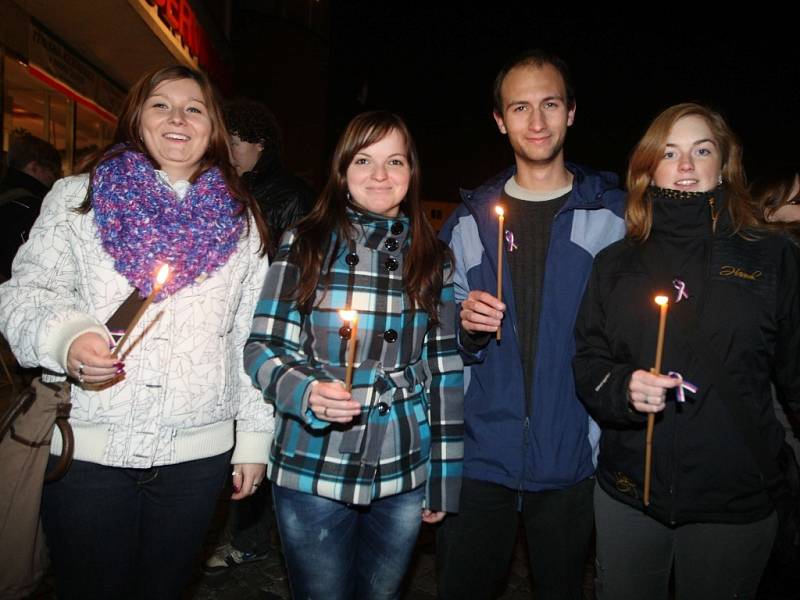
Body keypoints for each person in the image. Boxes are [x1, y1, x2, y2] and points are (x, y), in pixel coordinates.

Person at [0, 65, 273, 600]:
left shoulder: (242, 220)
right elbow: (25, 293)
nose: (178, 118)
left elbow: (250, 336)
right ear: (135, 118)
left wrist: (254, 439)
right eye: (160, 105)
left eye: (194, 108)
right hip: (89, 448)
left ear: (212, 126)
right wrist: (69, 338)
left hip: (197, 453)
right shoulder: (78, 198)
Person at [573, 103, 800, 600]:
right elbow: (589, 361)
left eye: (702, 150)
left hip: (734, 503)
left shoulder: (772, 256)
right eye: (670, 152)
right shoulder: (615, 263)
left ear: (725, 163)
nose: (687, 167)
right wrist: (623, 387)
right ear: (648, 166)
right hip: (630, 497)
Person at [244, 110, 463, 600]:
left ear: (412, 173)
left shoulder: (433, 257)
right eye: (364, 160)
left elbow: (445, 369)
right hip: (313, 463)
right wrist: (306, 390)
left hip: (404, 465)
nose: (380, 176)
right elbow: (262, 345)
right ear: (342, 171)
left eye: (395, 161)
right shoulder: (305, 242)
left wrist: (444, 477)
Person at [436, 49, 626, 600]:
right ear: (500, 120)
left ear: (571, 112)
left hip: (572, 459)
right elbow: (434, 333)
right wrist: (464, 328)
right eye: (520, 107)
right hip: (480, 458)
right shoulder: (470, 222)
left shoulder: (616, 218)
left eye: (549, 104)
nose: (536, 121)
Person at [204, 98, 314, 575]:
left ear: (258, 144)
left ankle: (249, 538)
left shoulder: (286, 194)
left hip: (269, 325)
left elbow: (293, 269)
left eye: (234, 139)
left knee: (259, 432)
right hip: (232, 323)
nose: (226, 147)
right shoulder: (229, 187)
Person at [225, 98, 314, 254]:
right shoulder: (225, 188)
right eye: (224, 144)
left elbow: (299, 263)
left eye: (234, 144)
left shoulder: (293, 196)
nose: (228, 154)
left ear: (260, 144)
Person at [0, 131, 62, 280]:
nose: (55, 178)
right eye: (52, 171)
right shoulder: (34, 209)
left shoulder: (6, 193)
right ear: (34, 167)